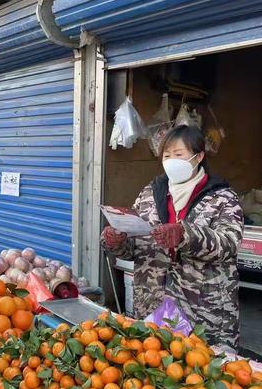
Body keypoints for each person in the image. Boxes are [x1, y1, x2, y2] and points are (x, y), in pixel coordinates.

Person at [102, 125, 244, 349]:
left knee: (203, 375)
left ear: (198, 157)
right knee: (155, 370)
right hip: (152, 308)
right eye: (166, 155)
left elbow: (229, 244)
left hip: (205, 313)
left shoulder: (222, 198)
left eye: (179, 155)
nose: (171, 161)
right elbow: (137, 244)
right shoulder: (150, 193)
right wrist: (118, 243)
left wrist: (185, 235)